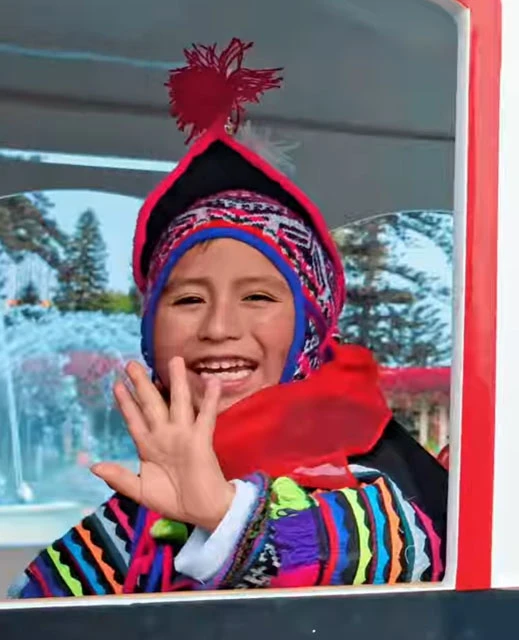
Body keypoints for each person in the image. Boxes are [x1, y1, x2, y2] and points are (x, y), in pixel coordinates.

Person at [9, 39, 446, 597]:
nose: (218, 328)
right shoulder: (136, 512)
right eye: (188, 301)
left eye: (258, 298)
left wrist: (225, 515)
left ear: (310, 328)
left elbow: (408, 555)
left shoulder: (368, 475)